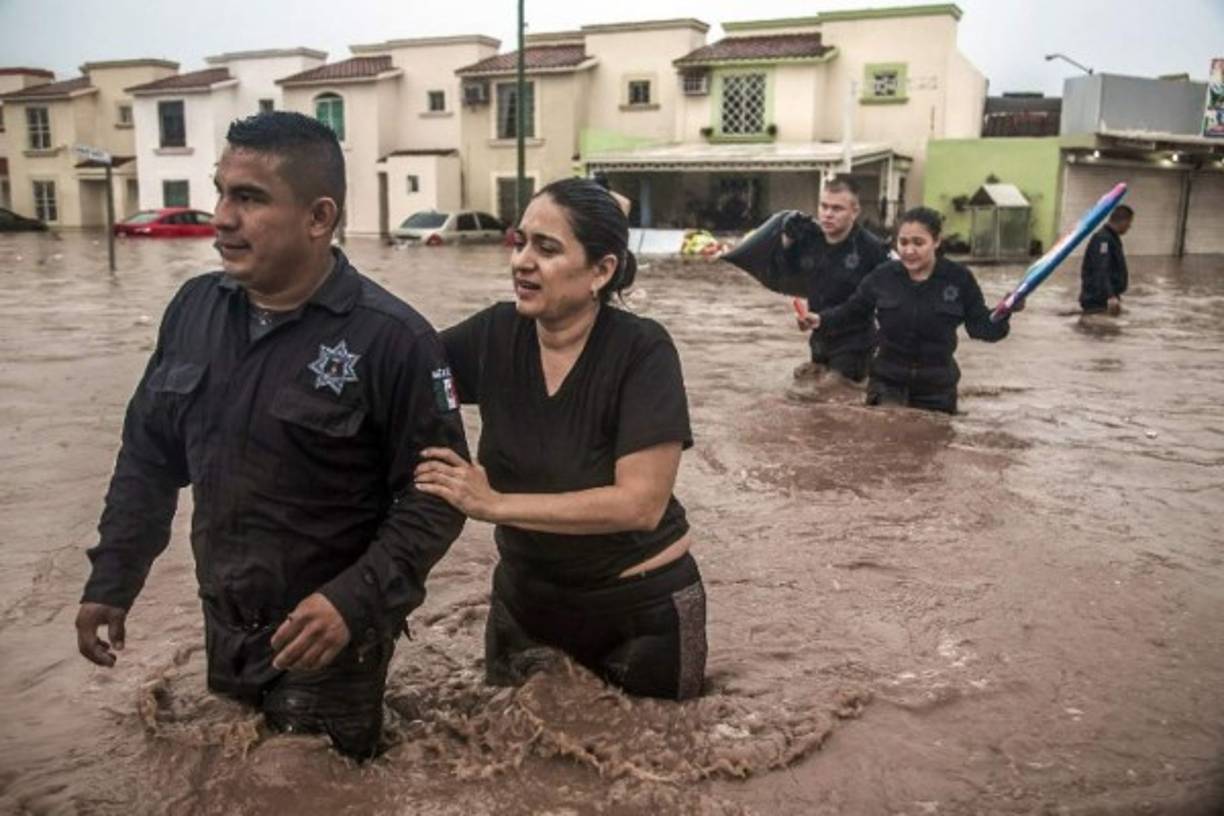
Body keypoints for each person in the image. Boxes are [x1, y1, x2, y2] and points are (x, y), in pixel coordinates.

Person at [74, 111, 468, 759]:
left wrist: (351, 601)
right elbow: (148, 459)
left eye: (249, 198)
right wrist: (112, 581)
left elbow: (438, 497)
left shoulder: (392, 340)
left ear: (318, 217)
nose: (222, 216)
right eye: (221, 190)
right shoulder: (193, 310)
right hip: (223, 626)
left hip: (331, 645)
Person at [413, 177, 706, 701]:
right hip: (525, 604)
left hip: (640, 613)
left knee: (660, 770)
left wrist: (495, 503)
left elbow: (638, 505)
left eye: (546, 249)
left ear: (602, 271)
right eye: (520, 241)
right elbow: (399, 373)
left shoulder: (642, 351)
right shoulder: (494, 336)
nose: (522, 261)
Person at [801, 207, 1015, 414]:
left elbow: (982, 328)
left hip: (937, 391)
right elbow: (853, 311)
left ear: (937, 241)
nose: (909, 250)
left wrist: (1005, 311)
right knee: (890, 437)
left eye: (918, 243)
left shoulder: (959, 279)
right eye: (903, 242)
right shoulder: (883, 276)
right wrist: (819, 319)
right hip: (887, 384)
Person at [776, 177, 889, 382]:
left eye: (837, 209)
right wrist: (787, 241)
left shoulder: (872, 249)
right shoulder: (809, 239)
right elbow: (784, 275)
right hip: (819, 341)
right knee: (809, 401)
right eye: (824, 206)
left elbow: (884, 299)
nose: (828, 214)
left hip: (856, 344)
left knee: (831, 395)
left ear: (855, 211)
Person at [1079, 204, 1133, 316]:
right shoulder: (1103, 239)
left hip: (1104, 299)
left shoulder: (1111, 238)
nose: (1129, 227)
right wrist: (1110, 296)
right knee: (1103, 331)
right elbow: (1101, 269)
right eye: (1129, 223)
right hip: (1098, 301)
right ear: (1122, 221)